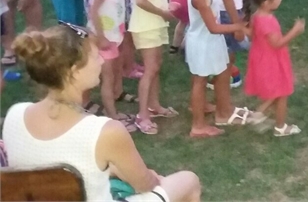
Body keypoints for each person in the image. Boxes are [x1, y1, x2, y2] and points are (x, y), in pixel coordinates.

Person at [3, 25, 201, 201]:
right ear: (74, 71)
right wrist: (152, 177)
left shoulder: (14, 115)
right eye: (96, 56)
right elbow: (145, 185)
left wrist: (113, 169)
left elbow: (52, 157)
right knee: (188, 181)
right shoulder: (104, 131)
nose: (101, 61)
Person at [184, 0, 250, 138]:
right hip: (203, 43)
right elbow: (213, 27)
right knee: (200, 81)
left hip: (211, 41)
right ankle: (198, 126)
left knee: (221, 72)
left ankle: (223, 112)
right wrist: (238, 27)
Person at [129, 0, 178, 135]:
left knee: (155, 67)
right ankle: (142, 115)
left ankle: (154, 106)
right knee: (150, 70)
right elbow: (140, 0)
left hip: (153, 26)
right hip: (146, 27)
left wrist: (167, 5)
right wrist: (163, 13)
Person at [243, 0, 304, 136]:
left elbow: (251, 35)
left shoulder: (256, 16)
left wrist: (241, 27)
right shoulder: (267, 21)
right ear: (266, 2)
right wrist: (295, 31)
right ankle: (280, 127)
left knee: (277, 90)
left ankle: (260, 112)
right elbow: (277, 44)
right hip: (271, 60)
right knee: (282, 92)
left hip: (262, 58)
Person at [84, 0, 134, 131]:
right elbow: (93, 11)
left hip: (114, 36)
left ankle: (113, 108)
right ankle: (112, 116)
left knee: (112, 74)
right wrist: (101, 36)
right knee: (108, 77)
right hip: (103, 39)